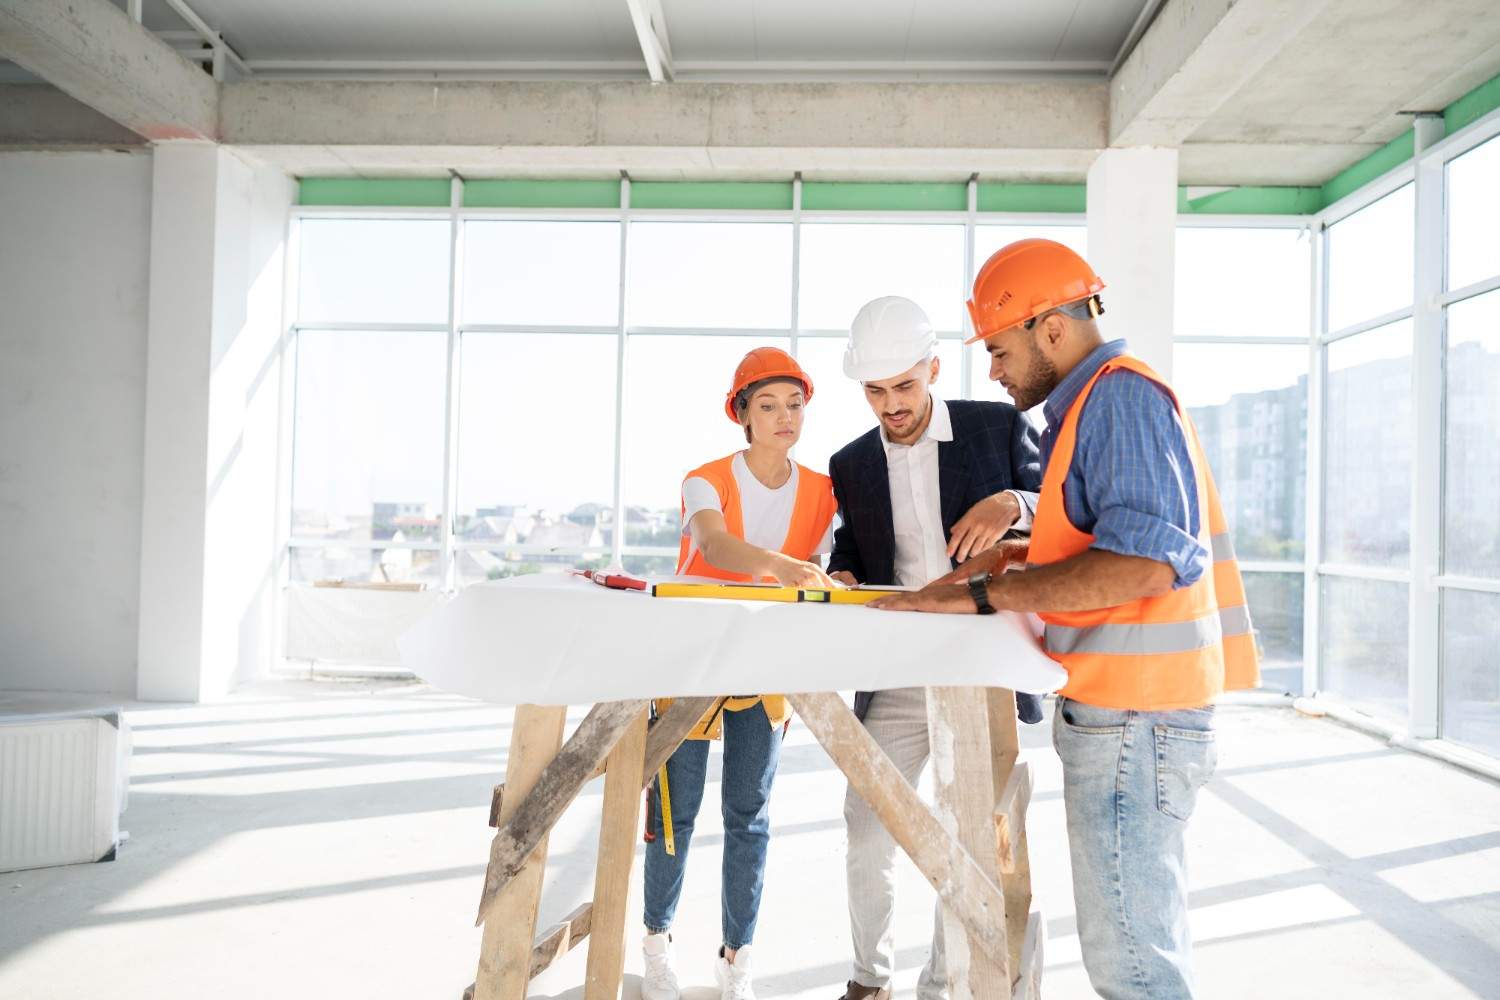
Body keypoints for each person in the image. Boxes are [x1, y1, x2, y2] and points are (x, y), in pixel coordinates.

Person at [871, 240, 1260, 999]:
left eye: (999, 348)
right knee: (1139, 945)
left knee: (1133, 964)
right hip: (1129, 715)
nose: (992, 370)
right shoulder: (1090, 406)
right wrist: (1015, 556)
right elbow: (1099, 540)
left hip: (1135, 718)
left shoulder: (1119, 397)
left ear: (1051, 327)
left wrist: (983, 597)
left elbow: (1146, 563)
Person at [823, 296, 1043, 1000]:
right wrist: (842, 573)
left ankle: (941, 983)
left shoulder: (996, 425)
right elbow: (854, 550)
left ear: (934, 370)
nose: (890, 405)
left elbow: (1059, 506)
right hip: (894, 671)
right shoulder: (849, 462)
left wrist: (1011, 502)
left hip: (974, 666)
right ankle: (869, 977)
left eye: (904, 387)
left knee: (968, 835)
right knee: (866, 824)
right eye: (876, 391)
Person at [642, 346, 839, 1000]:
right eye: (768, 405)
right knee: (677, 811)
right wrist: (783, 566)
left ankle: (737, 961)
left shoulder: (822, 490)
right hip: (691, 654)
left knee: (749, 813)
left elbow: (825, 564)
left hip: (765, 659)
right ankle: (656, 947)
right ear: (742, 414)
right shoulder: (704, 478)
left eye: (795, 404)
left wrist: (827, 574)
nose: (784, 417)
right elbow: (714, 544)